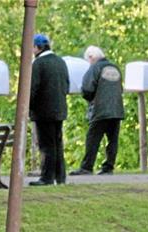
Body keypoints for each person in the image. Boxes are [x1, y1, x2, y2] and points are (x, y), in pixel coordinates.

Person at [69, 46, 124, 176]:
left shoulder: (95, 68)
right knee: (112, 140)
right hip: (116, 109)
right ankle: (108, 167)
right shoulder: (115, 68)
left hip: (100, 109)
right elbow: (120, 88)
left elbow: (87, 88)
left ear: (91, 57)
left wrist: (89, 99)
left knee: (92, 138)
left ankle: (87, 167)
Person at [29, 34, 69, 187]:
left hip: (43, 110)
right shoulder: (61, 62)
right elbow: (66, 84)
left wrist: (28, 108)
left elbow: (33, 88)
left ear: (37, 47)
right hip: (59, 109)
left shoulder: (38, 64)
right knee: (57, 143)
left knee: (46, 145)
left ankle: (46, 177)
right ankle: (60, 176)